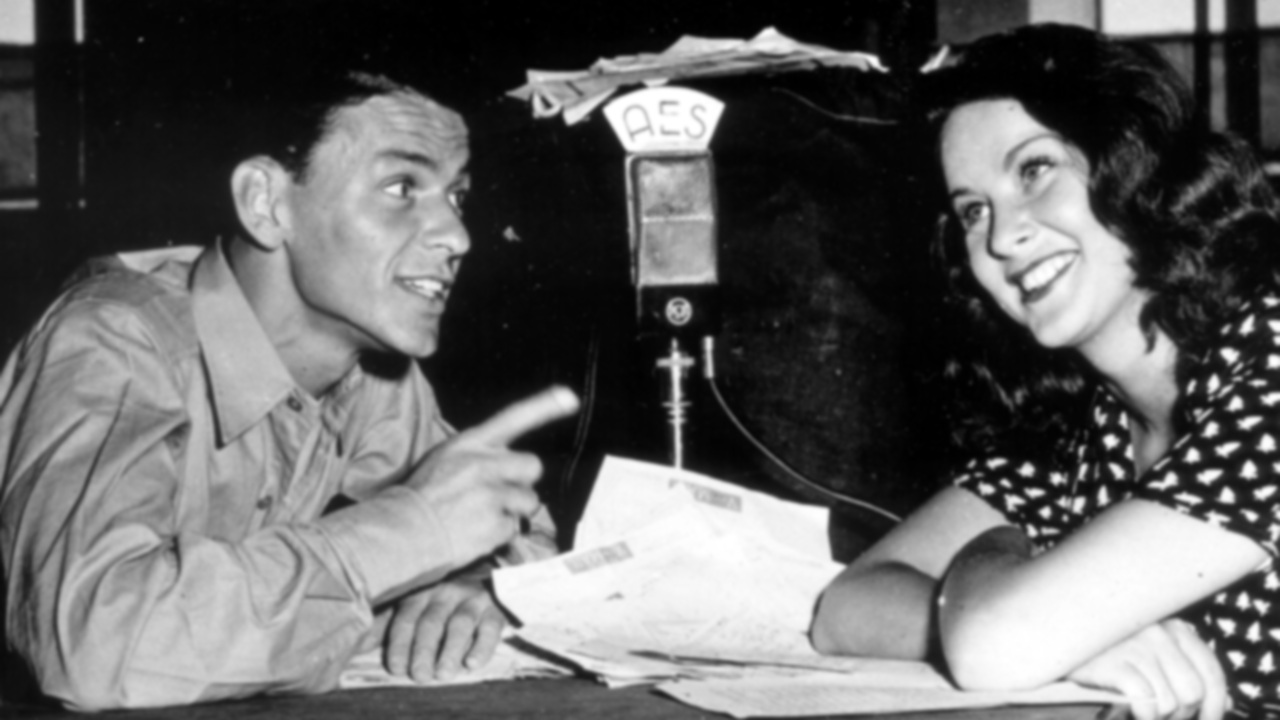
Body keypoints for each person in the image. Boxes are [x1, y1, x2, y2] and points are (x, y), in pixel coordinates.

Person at [0, 70, 579, 710]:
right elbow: (92, 651)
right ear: (266, 203)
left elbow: (503, 523)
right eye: (401, 187)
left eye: (457, 196)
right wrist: (411, 532)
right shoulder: (112, 343)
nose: (457, 236)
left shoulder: (368, 365)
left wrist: (475, 584)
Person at [810, 23, 1280, 720]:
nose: (1003, 237)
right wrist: (1084, 641)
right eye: (973, 211)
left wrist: (999, 568)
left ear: (1133, 163)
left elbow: (997, 641)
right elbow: (849, 605)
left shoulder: (1270, 361)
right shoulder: (1088, 419)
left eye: (1033, 170)